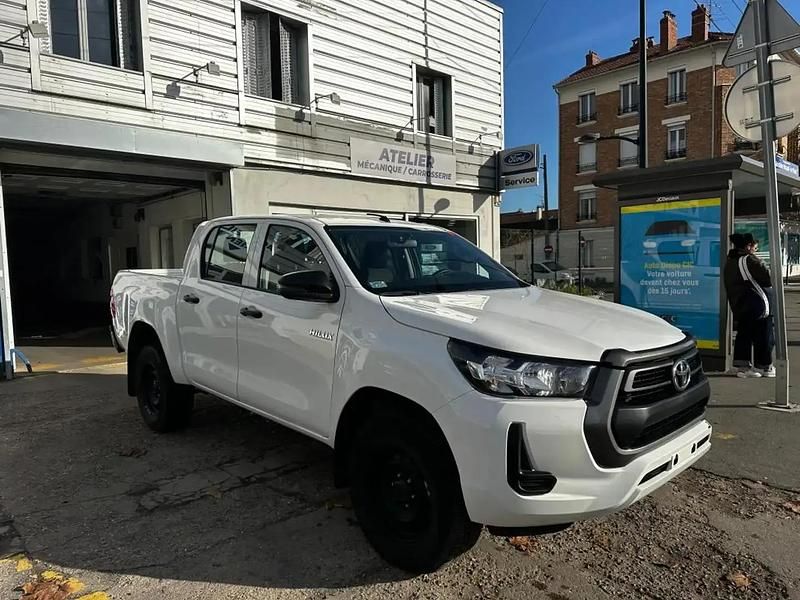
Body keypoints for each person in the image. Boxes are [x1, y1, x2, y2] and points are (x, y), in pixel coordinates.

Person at [723, 233, 775, 378]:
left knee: (744, 335)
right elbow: (768, 278)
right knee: (764, 335)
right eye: (755, 247)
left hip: (741, 304)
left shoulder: (731, 261)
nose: (756, 250)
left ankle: (741, 366)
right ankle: (764, 366)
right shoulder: (749, 260)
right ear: (748, 246)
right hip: (757, 303)